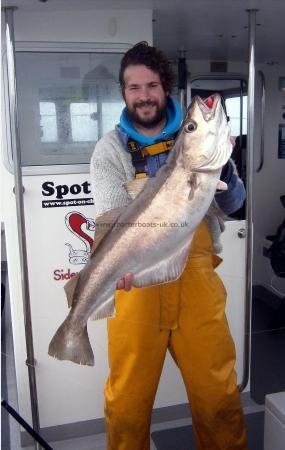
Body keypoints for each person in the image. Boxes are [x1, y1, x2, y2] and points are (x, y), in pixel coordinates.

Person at [90, 42, 248, 450]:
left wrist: (222, 166)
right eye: (134, 87)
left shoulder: (196, 137)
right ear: (123, 92)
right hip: (135, 282)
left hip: (196, 281)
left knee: (219, 398)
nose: (144, 95)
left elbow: (234, 204)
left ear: (165, 88)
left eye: (152, 85)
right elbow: (113, 218)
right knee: (127, 405)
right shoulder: (109, 150)